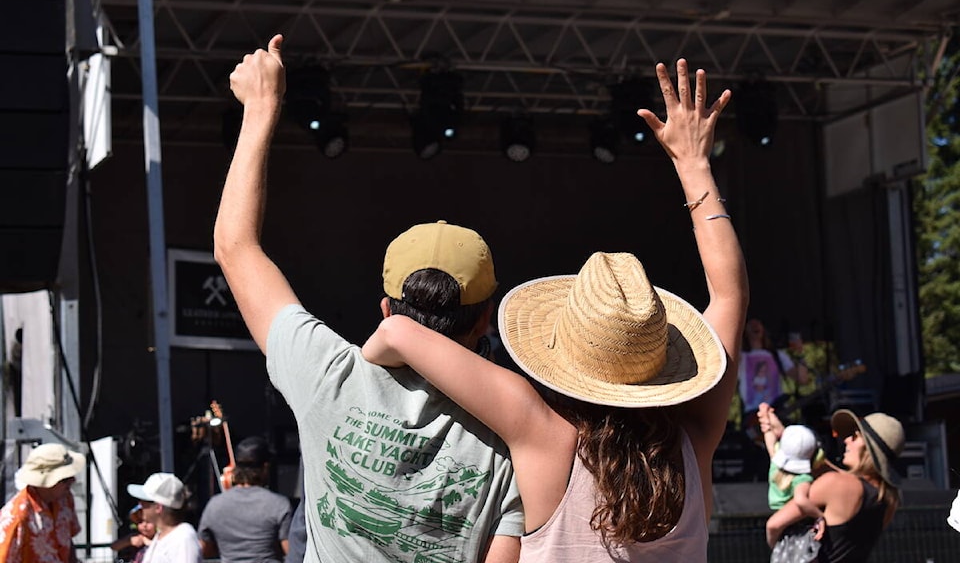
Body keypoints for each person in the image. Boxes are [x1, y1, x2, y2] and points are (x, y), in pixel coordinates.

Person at [362, 59, 748, 559]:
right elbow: (731, 295)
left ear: (564, 358)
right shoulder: (695, 444)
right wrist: (694, 165)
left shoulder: (543, 435)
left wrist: (363, 364)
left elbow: (399, 336)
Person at [213, 34, 523, 563]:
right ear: (485, 320)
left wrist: (261, 110)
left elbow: (235, 247)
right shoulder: (517, 430)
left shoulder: (327, 376)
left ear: (386, 310)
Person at [766, 409, 905, 561]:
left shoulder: (837, 484)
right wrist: (790, 438)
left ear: (868, 449)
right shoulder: (889, 499)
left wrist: (780, 551)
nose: (846, 440)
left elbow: (774, 524)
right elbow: (838, 475)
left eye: (855, 437)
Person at [198, 436, 292, 563]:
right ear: (265, 467)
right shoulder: (279, 504)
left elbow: (204, 550)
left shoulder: (215, 505)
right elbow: (291, 551)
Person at [0, 442, 85, 563]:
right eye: (65, 479)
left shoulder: (65, 499)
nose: (73, 481)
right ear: (45, 483)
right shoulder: (16, 517)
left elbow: (68, 541)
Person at [739, 319, 810, 426]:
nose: (755, 325)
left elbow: (802, 379)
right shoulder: (741, 357)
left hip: (777, 411)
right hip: (752, 415)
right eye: (751, 324)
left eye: (758, 322)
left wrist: (800, 354)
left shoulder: (777, 355)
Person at [757, 402, 821, 512]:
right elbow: (801, 501)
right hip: (796, 518)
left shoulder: (776, 464)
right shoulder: (803, 478)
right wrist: (820, 516)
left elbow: (769, 434)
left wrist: (766, 416)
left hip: (775, 513)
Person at [127, 473, 202, 563]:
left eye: (145, 501)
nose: (140, 504)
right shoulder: (161, 536)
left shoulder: (183, 537)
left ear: (158, 507)